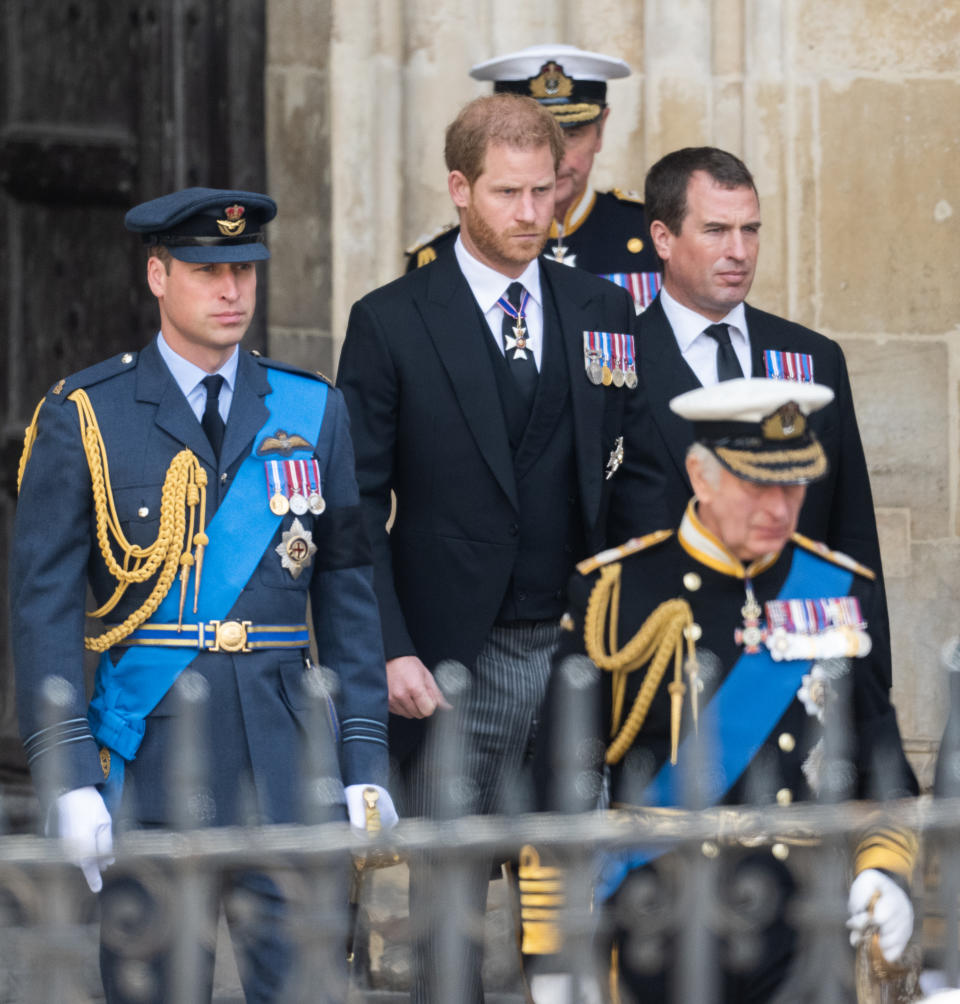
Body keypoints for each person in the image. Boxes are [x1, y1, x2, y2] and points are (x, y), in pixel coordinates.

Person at [10, 187, 395, 1002]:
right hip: (152, 762)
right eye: (207, 270)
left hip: (288, 763)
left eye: (245, 271)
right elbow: (42, 609)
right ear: (158, 275)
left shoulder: (310, 408)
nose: (231, 290)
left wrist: (364, 757)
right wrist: (68, 774)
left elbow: (349, 591)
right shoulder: (87, 415)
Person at [337, 93, 662, 1003]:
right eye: (509, 193)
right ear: (459, 190)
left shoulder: (602, 307)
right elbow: (356, 505)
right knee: (447, 909)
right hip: (447, 657)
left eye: (545, 192)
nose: (532, 215)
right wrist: (389, 647)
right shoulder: (392, 320)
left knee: (566, 902)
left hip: (572, 646)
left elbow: (633, 474)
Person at [524, 377, 918, 1003]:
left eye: (793, 485)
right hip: (660, 915)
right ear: (701, 477)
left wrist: (883, 873)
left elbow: (883, 767)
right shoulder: (617, 592)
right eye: (757, 485)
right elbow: (559, 783)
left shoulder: (838, 590)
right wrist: (554, 949)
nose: (780, 509)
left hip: (805, 923)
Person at [611, 146, 892, 686]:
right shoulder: (615, 362)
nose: (738, 251)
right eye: (716, 230)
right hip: (664, 664)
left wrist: (871, 682)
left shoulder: (812, 358)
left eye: (751, 230)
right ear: (663, 239)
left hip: (794, 662)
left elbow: (850, 532)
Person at [406, 43, 663, 314]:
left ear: (600, 131)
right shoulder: (440, 255)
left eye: (572, 134)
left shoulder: (650, 234)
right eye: (529, 143)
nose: (555, 159)